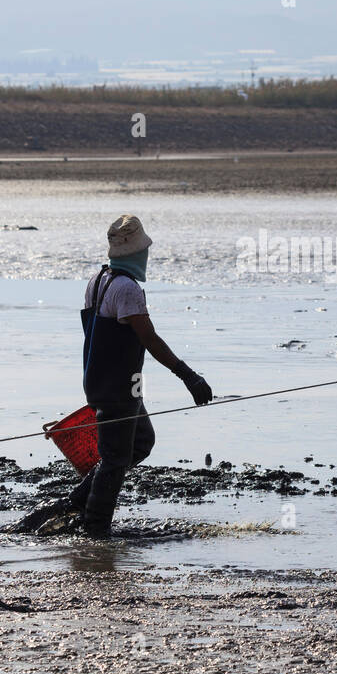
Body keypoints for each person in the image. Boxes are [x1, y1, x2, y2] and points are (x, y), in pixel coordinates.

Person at [66, 214, 212, 536]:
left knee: (141, 441)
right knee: (116, 460)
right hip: (119, 389)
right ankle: (95, 527)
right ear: (136, 253)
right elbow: (150, 339)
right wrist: (189, 377)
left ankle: (77, 502)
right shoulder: (127, 290)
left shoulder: (98, 281)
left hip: (104, 383)